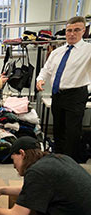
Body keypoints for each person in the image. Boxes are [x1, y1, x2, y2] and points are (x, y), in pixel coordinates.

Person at [36, 16, 91, 162]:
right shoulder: (57, 52)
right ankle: (58, 160)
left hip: (76, 95)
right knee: (58, 130)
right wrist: (40, 79)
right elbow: (46, 69)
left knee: (72, 132)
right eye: (69, 30)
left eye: (76, 30)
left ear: (83, 31)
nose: (72, 34)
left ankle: (69, 164)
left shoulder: (88, 50)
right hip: (58, 95)